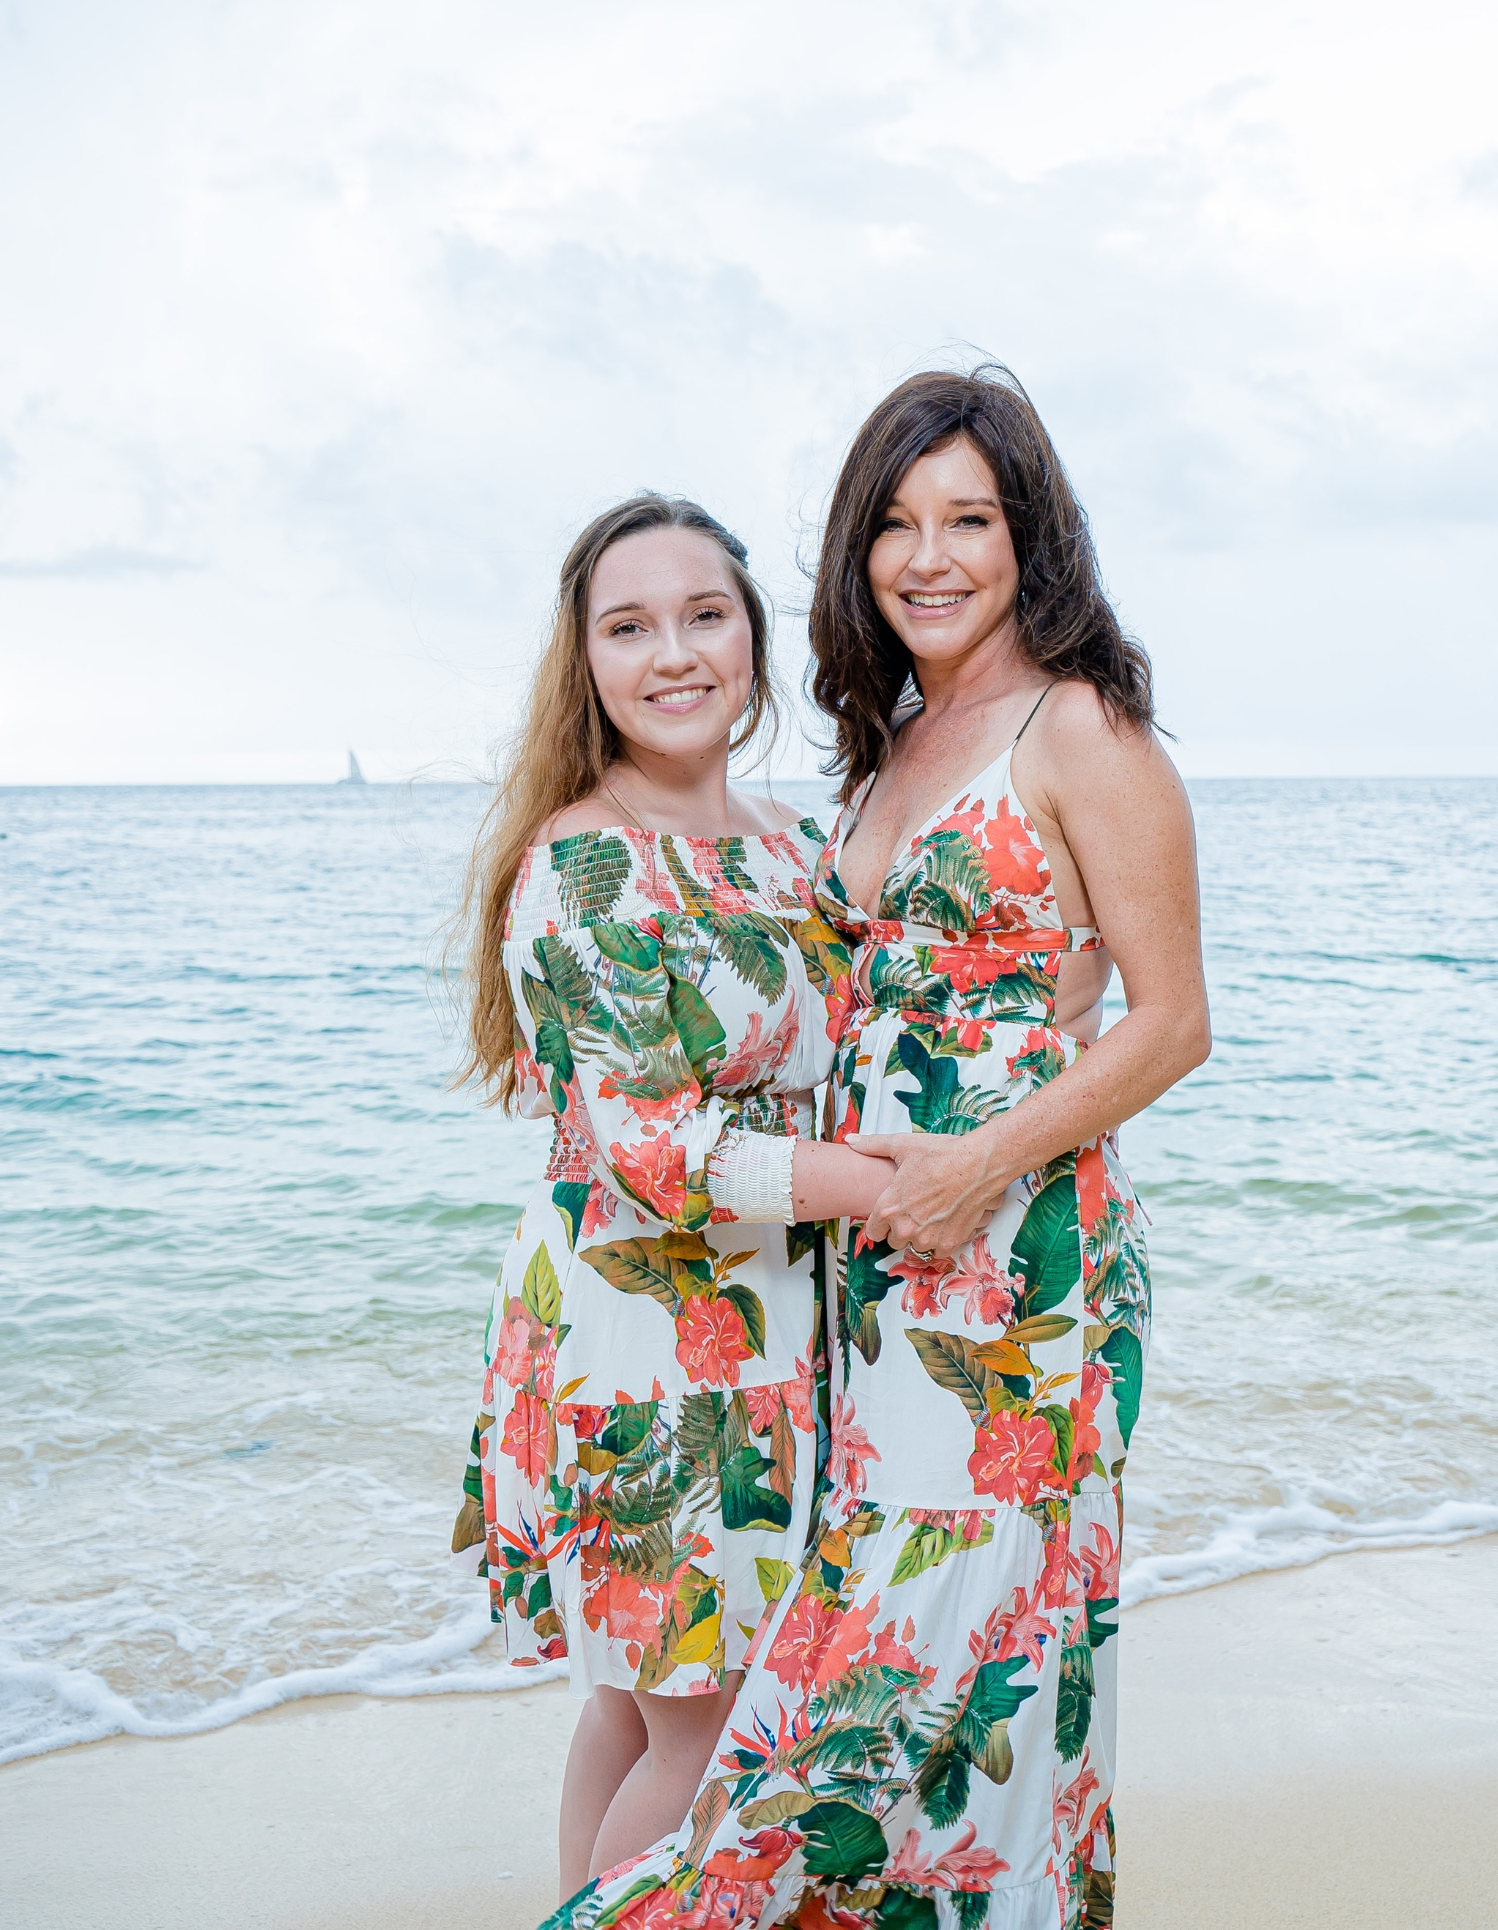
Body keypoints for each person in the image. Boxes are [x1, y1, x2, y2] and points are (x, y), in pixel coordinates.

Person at [551, 368, 1209, 1930]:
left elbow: (1173, 1021)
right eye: (896, 525)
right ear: (856, 553)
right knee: (886, 1667)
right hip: (871, 1286)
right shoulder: (900, 741)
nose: (930, 558)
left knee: (902, 1685)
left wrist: (985, 1160)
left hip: (1020, 1291)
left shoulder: (1082, 727)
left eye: (969, 521)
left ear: (1028, 537)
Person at [451, 494, 897, 1903]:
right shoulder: (581, 863)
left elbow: (875, 1021)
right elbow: (660, 1154)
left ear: (754, 637)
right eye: (629, 627)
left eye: (705, 615)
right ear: (584, 662)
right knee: (698, 1727)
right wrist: (891, 1185)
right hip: (647, 1353)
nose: (674, 653)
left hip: (764, 1339)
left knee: (644, 1705)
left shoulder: (787, 842)